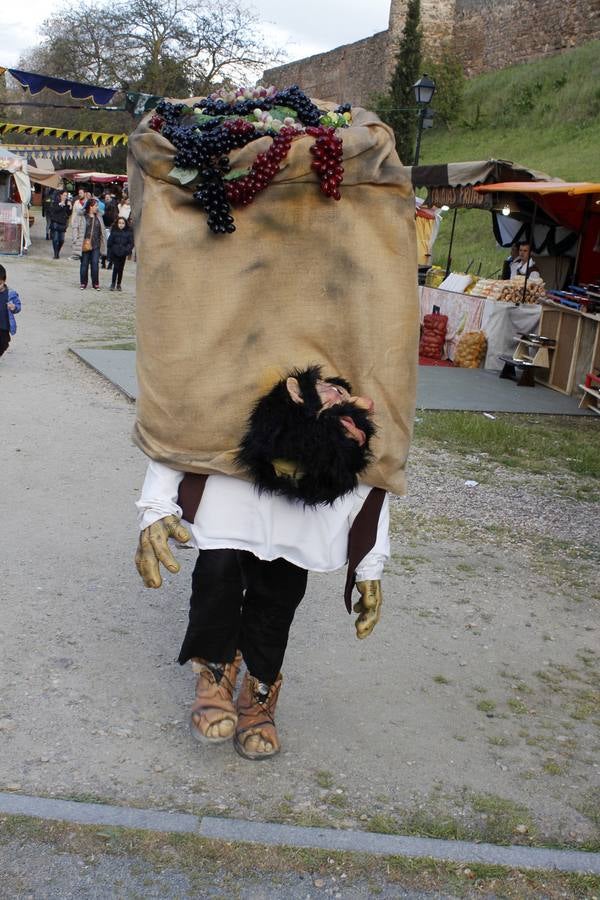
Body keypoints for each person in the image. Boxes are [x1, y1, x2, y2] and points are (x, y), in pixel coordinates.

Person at [136, 367, 388, 760]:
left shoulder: (342, 428)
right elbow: (187, 422)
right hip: (232, 496)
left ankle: (261, 688)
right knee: (217, 575)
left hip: (299, 519)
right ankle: (216, 669)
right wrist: (155, 506)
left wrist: (369, 567)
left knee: (279, 596)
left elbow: (377, 480)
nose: (358, 404)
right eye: (336, 393)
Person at [79, 199, 107, 290]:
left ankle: (95, 283)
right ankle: (83, 282)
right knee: (84, 264)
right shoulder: (83, 216)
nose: (97, 207)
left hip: (96, 244)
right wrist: (76, 239)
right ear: (90, 206)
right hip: (85, 243)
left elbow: (102, 230)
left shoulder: (99, 217)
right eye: (95, 206)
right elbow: (77, 228)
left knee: (95, 263)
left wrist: (103, 242)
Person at [0, 264, 21, 359]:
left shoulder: (11, 294)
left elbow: (18, 306)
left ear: (4, 281)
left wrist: (14, 307)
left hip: (4, 325)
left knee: (4, 343)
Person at [107, 216, 134, 290]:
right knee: (115, 268)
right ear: (117, 224)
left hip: (123, 253)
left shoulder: (128, 232)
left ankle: (119, 284)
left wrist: (127, 250)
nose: (121, 225)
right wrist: (111, 250)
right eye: (119, 223)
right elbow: (110, 242)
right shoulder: (114, 232)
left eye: (123, 223)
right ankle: (113, 283)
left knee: (121, 269)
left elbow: (131, 243)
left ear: (125, 224)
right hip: (115, 252)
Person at [47, 190, 72, 259]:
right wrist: (60, 204)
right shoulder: (56, 201)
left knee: (61, 240)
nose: (65, 197)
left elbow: (68, 213)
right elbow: (53, 210)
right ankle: (56, 254)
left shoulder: (67, 202)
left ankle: (58, 251)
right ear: (60, 195)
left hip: (63, 223)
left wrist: (70, 207)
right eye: (64, 195)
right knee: (55, 239)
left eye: (66, 196)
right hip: (55, 222)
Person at [70, 188, 87, 259]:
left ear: (85, 193)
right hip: (76, 221)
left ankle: (81, 254)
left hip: (84, 222)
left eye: (81, 193)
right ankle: (75, 254)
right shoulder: (76, 202)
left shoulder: (87, 202)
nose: (79, 195)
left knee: (82, 238)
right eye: (79, 193)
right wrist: (72, 222)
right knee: (75, 238)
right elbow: (74, 212)